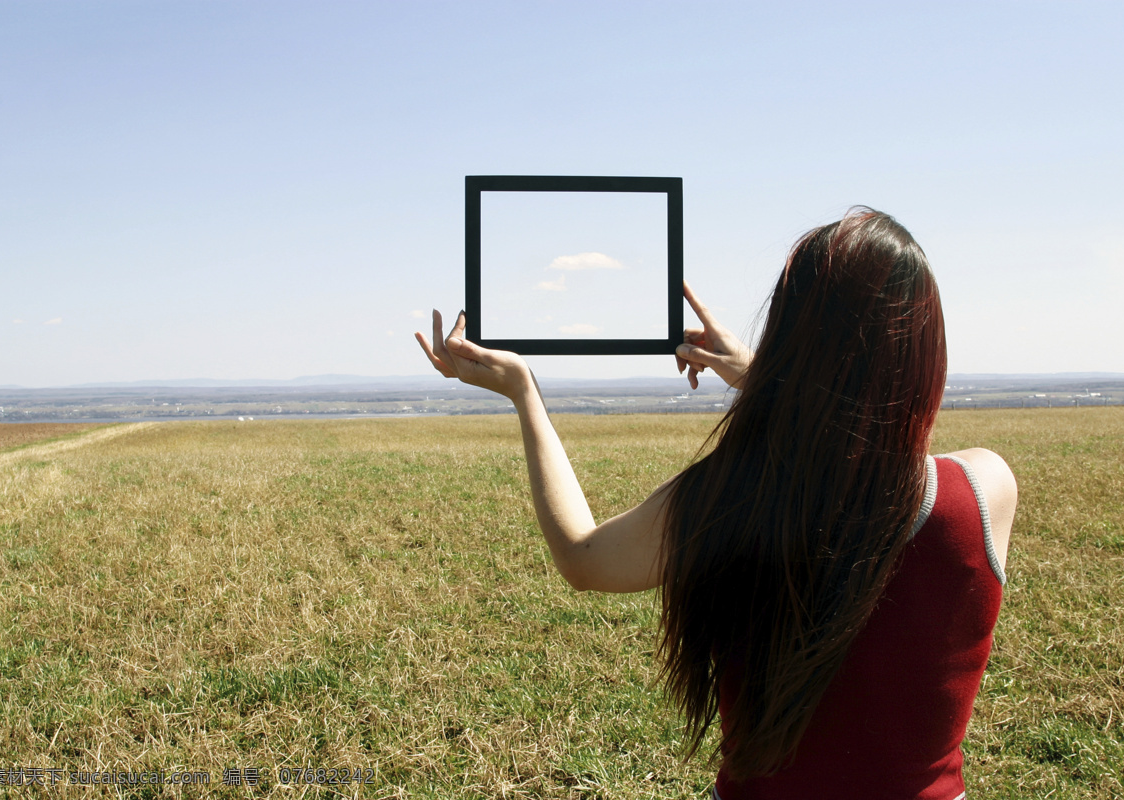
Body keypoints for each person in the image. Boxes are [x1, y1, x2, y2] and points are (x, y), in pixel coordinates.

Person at [415, 208, 1016, 799]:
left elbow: (583, 555)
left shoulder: (727, 499)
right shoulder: (985, 490)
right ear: (924, 350)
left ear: (787, 332)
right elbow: (867, 454)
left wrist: (524, 391)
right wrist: (764, 381)